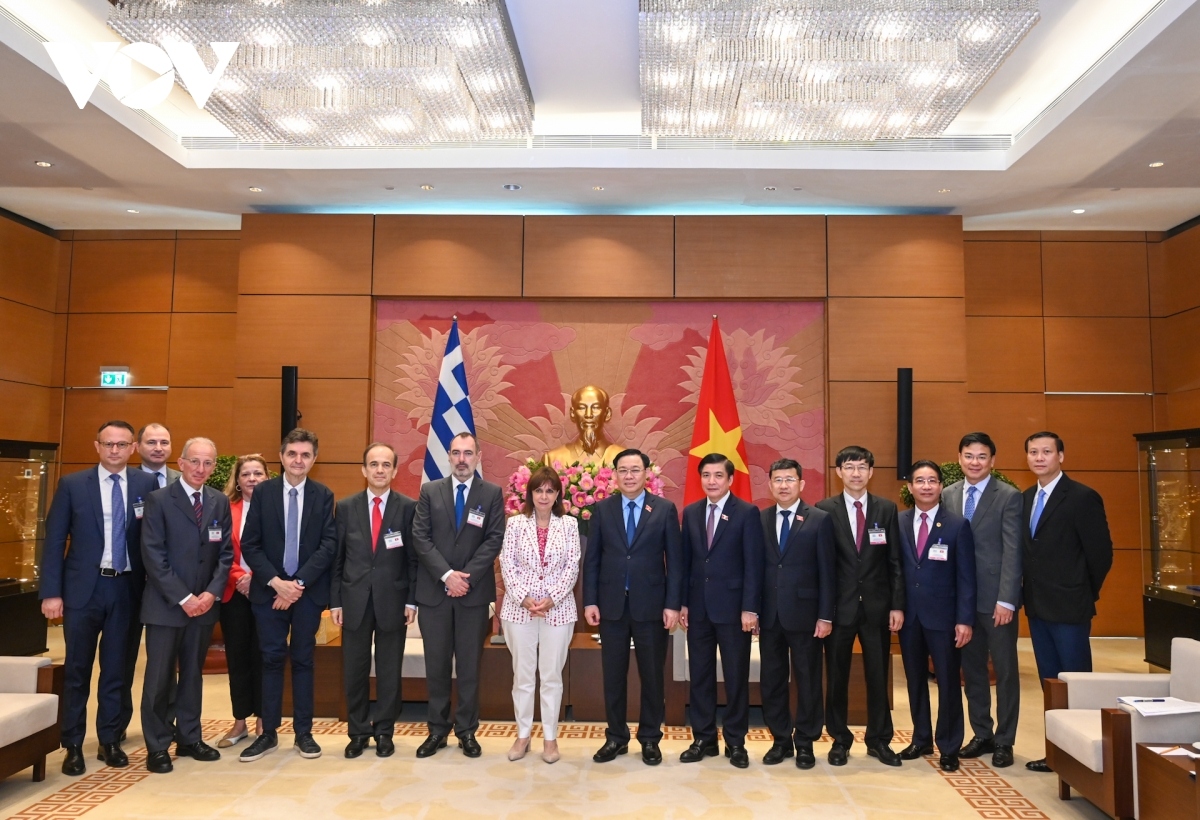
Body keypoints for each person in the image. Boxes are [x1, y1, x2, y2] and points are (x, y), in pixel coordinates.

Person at [40, 420, 158, 775]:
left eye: (122, 445)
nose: (115, 450)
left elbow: (152, 539)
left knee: (117, 670)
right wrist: (51, 592)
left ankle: (109, 739)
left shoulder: (145, 484)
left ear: (132, 448)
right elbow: (55, 540)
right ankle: (73, 744)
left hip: (126, 589)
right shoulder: (73, 485)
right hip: (82, 591)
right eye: (108, 444)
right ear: (97, 446)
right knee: (77, 670)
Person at [238, 428, 337, 763]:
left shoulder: (323, 495)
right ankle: (267, 734)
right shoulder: (263, 493)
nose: (298, 460)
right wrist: (277, 582)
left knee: (304, 660)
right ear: (281, 457)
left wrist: (296, 585)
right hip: (269, 593)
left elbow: (328, 545)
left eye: (305, 455)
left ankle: (304, 733)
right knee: (270, 659)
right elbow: (250, 543)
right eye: (292, 454)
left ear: (314, 459)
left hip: (306, 594)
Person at [583, 448, 683, 767]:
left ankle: (650, 738)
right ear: (614, 475)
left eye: (635, 470)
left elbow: (675, 563)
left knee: (652, 674)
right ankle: (616, 736)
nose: (629, 475)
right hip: (611, 606)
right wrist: (590, 600)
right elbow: (593, 560)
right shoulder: (602, 509)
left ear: (646, 474)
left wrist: (672, 604)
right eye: (623, 470)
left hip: (652, 606)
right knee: (613, 674)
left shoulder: (664, 509)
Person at [1021, 431, 1113, 774]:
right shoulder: (1027, 497)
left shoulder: (1082, 497)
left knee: (1076, 682)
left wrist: (1083, 592)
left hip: (1070, 608)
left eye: (1047, 451)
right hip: (1039, 607)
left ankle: (1085, 757)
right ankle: (1057, 753)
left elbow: (1100, 554)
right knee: (1051, 684)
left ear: (1061, 455)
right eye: (1033, 452)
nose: (1039, 457)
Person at [139, 437, 233, 773]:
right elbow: (153, 555)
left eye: (208, 463)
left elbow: (224, 554)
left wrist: (209, 594)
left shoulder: (218, 501)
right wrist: (183, 597)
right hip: (167, 605)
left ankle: (190, 737)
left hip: (205, 605)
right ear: (181, 462)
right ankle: (158, 745)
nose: (201, 469)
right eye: (195, 461)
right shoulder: (159, 500)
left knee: (193, 675)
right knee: (159, 678)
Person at [411, 432, 505, 759]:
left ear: (478, 456)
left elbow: (494, 539)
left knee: (469, 668)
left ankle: (467, 731)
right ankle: (436, 731)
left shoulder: (491, 493)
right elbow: (420, 538)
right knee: (436, 666)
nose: (462, 459)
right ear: (448, 457)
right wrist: (447, 575)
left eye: (468, 453)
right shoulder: (429, 491)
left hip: (473, 595)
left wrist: (465, 577)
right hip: (435, 593)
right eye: (456, 453)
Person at [816, 445, 904, 767]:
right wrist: (823, 611)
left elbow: (894, 562)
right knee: (837, 677)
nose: (856, 473)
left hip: (878, 608)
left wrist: (897, 604)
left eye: (862, 467)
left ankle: (879, 740)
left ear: (870, 472)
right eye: (849, 467)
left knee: (877, 675)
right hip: (839, 609)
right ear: (838, 472)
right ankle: (840, 739)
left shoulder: (886, 509)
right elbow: (822, 566)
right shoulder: (824, 509)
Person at [331, 443, 418, 759]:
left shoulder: (408, 507)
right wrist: (335, 602)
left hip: (392, 602)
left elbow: (413, 560)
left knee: (389, 672)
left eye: (386, 464)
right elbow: (337, 559)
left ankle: (384, 731)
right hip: (353, 601)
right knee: (354, 671)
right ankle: (357, 733)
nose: (380, 470)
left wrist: (412, 601)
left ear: (395, 471)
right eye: (373, 464)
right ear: (363, 469)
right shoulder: (346, 506)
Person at [942, 432, 1023, 769]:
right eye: (969, 456)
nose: (974, 462)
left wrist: (1007, 599)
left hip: (995, 601)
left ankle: (1005, 740)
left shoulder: (1008, 496)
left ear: (992, 460)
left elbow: (1013, 551)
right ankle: (982, 733)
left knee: (1004, 672)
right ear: (959, 458)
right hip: (962, 602)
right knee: (971, 671)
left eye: (981, 457)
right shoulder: (947, 494)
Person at [678, 453, 763, 769]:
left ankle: (736, 742)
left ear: (730, 480)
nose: (711, 481)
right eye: (706, 475)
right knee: (699, 675)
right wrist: (684, 602)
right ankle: (703, 738)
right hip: (698, 609)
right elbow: (686, 563)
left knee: (736, 676)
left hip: (734, 611)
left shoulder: (747, 513)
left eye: (718, 475)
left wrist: (750, 608)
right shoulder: (691, 512)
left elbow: (754, 565)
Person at [897, 460, 976, 773]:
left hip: (945, 617)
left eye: (932, 480)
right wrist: (896, 607)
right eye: (919, 480)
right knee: (915, 681)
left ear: (941, 486)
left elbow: (967, 577)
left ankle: (949, 745)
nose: (926, 486)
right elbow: (896, 571)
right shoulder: (899, 521)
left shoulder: (957, 525)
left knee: (947, 682)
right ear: (910, 487)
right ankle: (920, 738)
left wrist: (965, 619)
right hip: (910, 617)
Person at [499, 464, 580, 764]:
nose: (544, 496)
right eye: (538, 490)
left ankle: (549, 738)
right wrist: (525, 598)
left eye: (549, 490)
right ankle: (522, 736)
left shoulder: (569, 525)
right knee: (522, 676)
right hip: (519, 610)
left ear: (557, 493)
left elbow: (572, 567)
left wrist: (551, 599)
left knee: (550, 677)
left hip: (557, 611)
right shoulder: (515, 524)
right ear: (530, 493)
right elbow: (507, 564)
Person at [758, 458, 835, 770]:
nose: (784, 485)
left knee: (808, 679)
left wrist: (825, 615)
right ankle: (780, 740)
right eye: (778, 480)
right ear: (770, 484)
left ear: (802, 484)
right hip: (769, 614)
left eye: (790, 480)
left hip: (806, 615)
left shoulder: (819, 519)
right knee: (772, 680)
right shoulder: (760, 519)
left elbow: (828, 572)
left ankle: (805, 741)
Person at [119, 423, 180, 742]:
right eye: (151, 442)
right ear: (137, 447)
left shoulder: (180, 482)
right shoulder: (126, 481)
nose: (158, 447)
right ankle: (117, 727)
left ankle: (164, 723)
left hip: (168, 587)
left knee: (165, 661)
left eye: (164, 442)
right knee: (124, 658)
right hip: (129, 582)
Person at [216, 454, 269, 749]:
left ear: (266, 477)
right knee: (237, 658)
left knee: (264, 656)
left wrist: (257, 579)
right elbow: (221, 549)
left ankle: (264, 720)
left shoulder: (276, 509)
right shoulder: (227, 509)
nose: (251, 479)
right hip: (234, 592)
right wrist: (240, 578)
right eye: (246, 474)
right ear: (237, 480)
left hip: (266, 591)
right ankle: (240, 722)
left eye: (257, 473)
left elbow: (278, 550)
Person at [542, 385, 624, 469]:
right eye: (581, 408)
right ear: (572, 414)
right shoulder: (551, 459)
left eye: (596, 407)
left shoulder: (624, 458)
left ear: (607, 414)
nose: (588, 415)